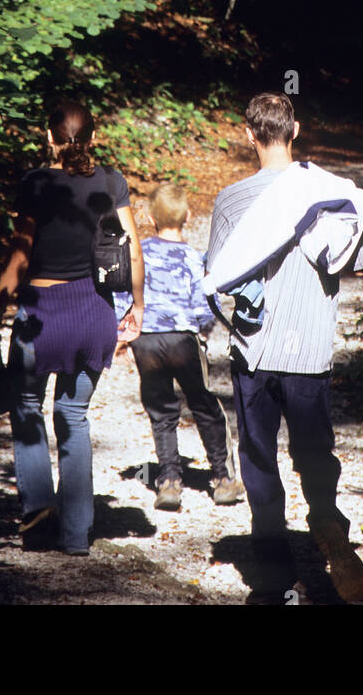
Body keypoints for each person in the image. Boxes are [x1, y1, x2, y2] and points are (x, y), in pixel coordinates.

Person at [203, 93, 363, 603]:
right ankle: (326, 522)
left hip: (254, 351)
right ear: (295, 131)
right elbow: (358, 257)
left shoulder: (232, 200)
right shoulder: (325, 192)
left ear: (247, 134)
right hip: (309, 351)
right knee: (314, 453)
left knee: (258, 457)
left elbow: (219, 273)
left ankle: (273, 572)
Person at [0, 99, 145, 556]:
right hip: (94, 314)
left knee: (28, 409)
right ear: (93, 137)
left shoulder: (35, 183)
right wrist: (137, 307)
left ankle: (37, 517)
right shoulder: (113, 181)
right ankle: (76, 535)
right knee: (73, 417)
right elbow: (133, 251)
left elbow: (19, 255)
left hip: (41, 316)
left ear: (47, 137)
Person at [115, 183, 243, 511]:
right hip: (183, 342)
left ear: (150, 217)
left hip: (148, 341)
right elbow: (205, 306)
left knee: (161, 410)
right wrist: (202, 332)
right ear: (187, 216)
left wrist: (122, 336)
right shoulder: (193, 258)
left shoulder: (138, 252)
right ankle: (222, 478)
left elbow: (122, 295)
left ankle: (169, 481)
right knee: (203, 403)